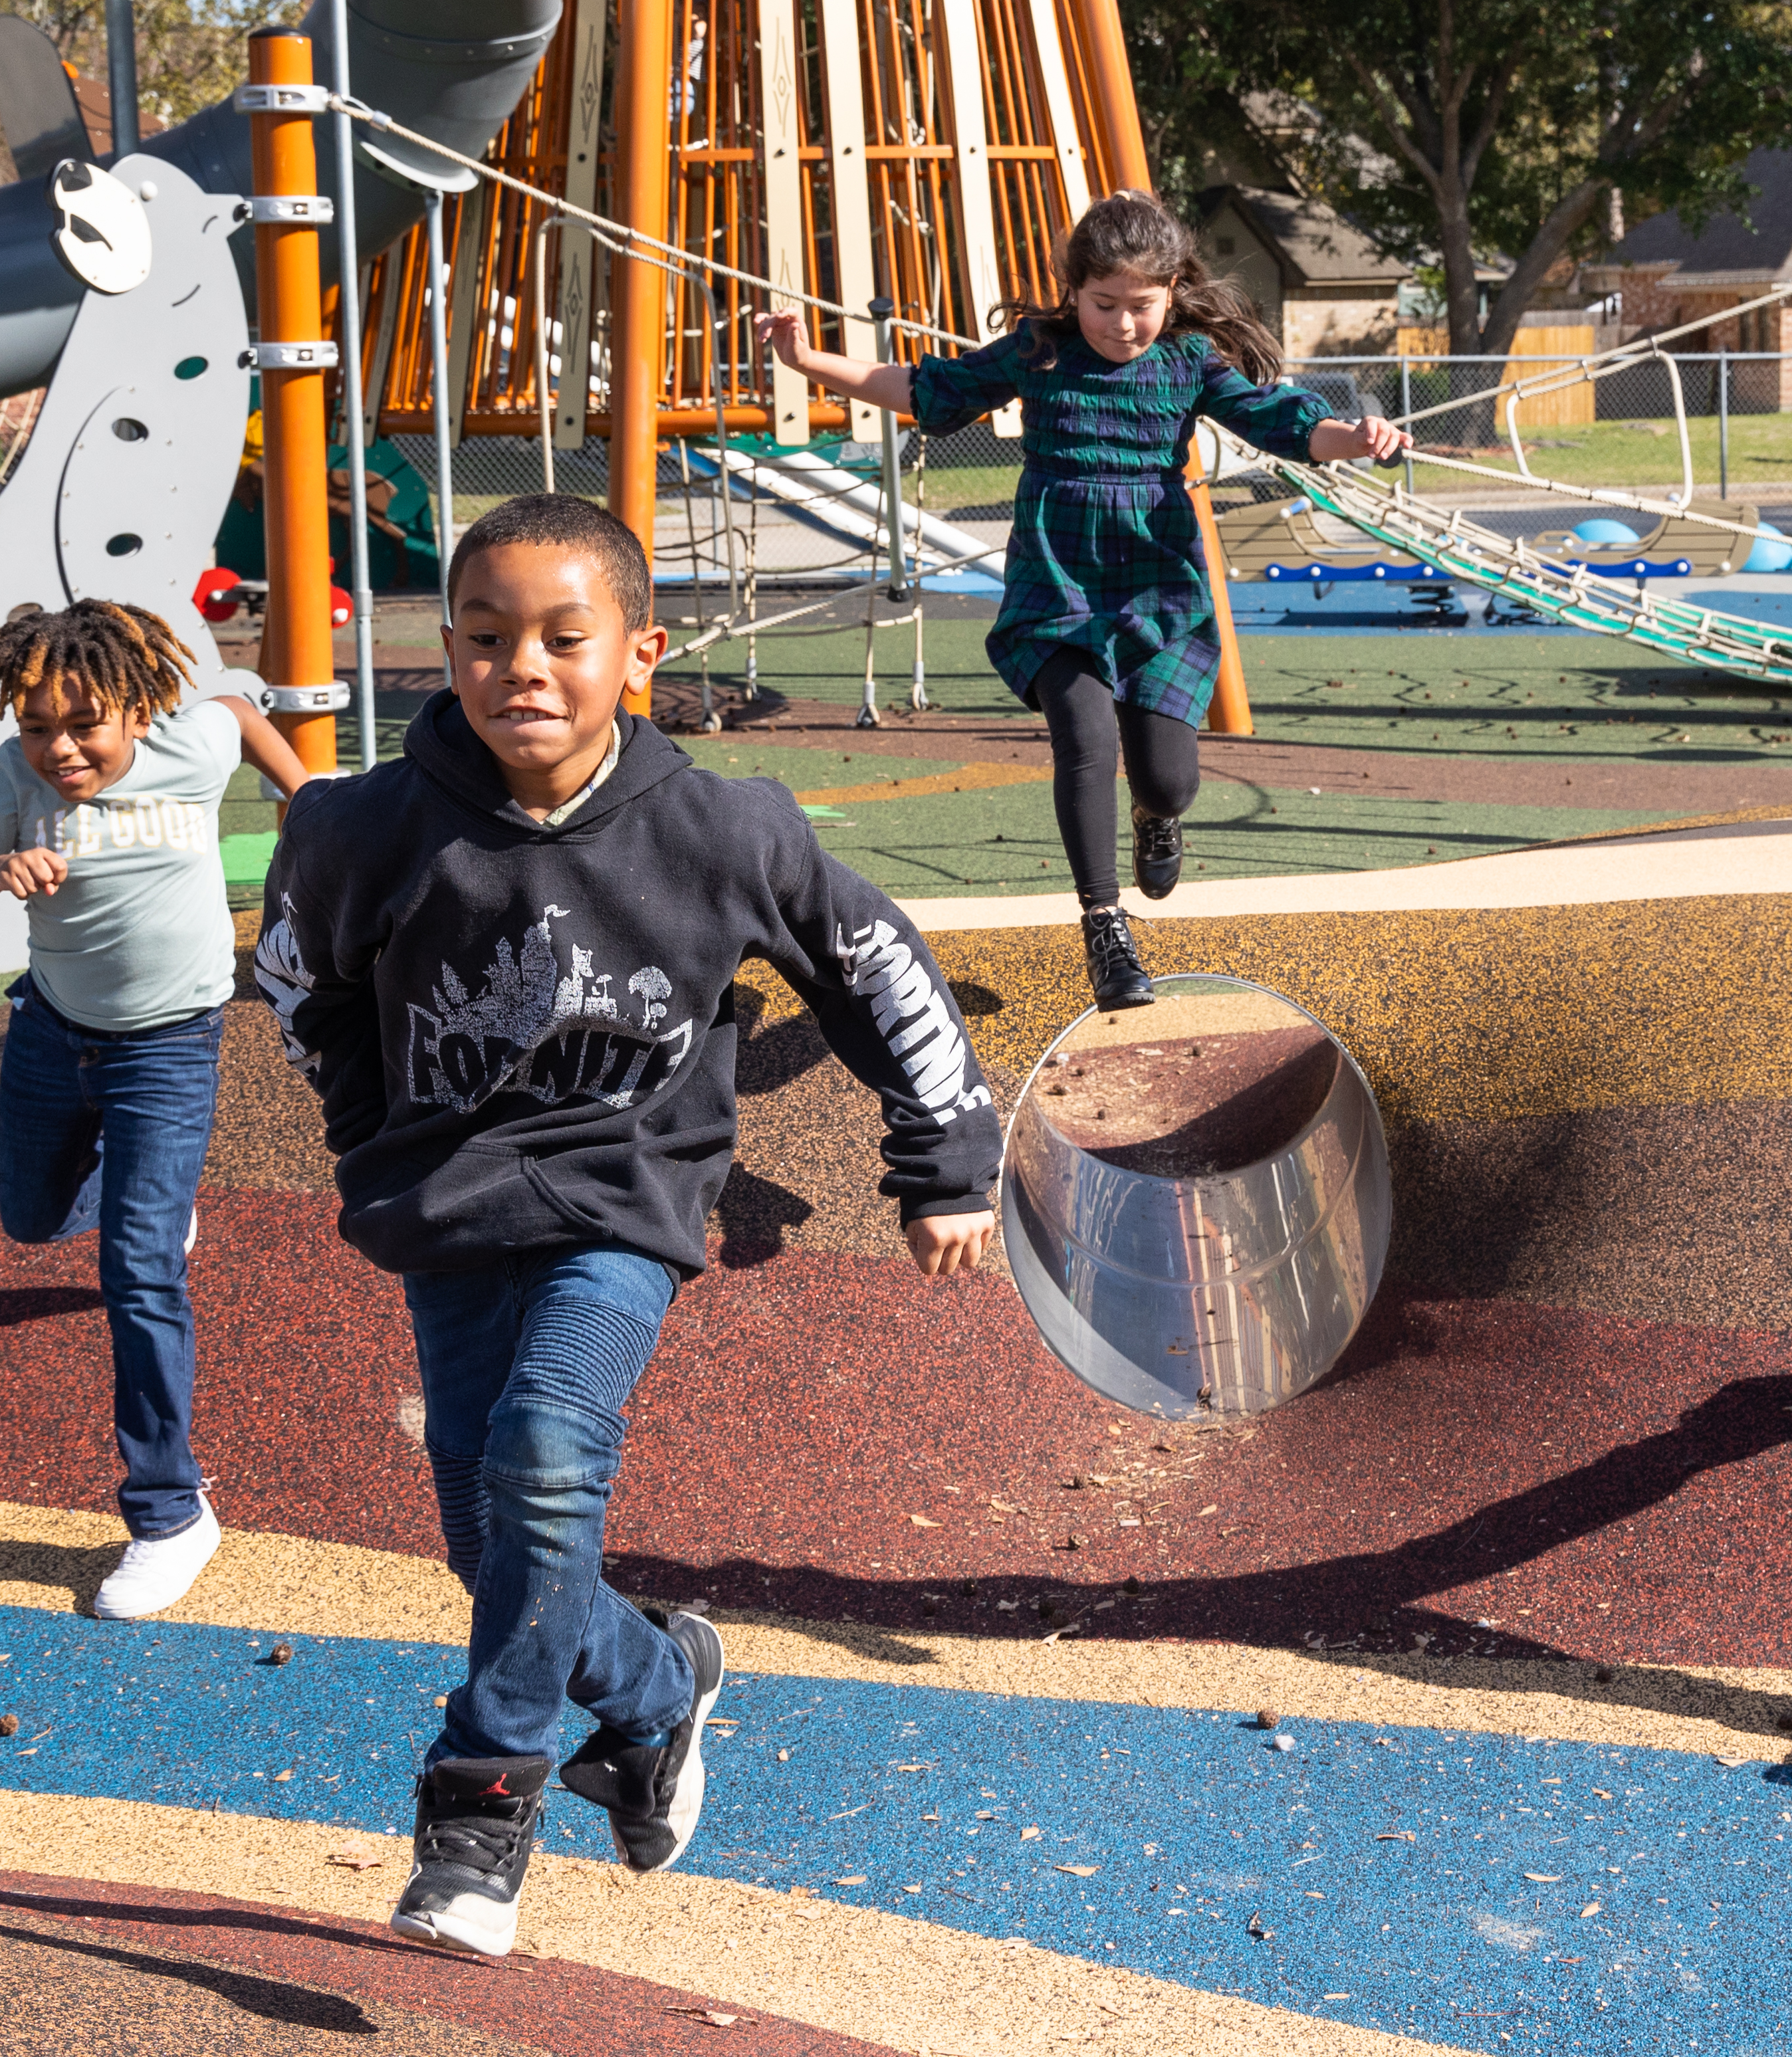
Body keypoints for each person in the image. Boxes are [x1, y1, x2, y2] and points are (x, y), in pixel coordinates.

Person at [253, 493, 1002, 1959]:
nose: (519, 666)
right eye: (482, 638)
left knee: (545, 1449)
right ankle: (658, 1694)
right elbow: (297, 983)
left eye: (561, 638)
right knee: (500, 1552)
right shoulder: (361, 827)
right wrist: (367, 1123)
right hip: (449, 1201)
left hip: (624, 1196)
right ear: (445, 654)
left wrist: (944, 1159)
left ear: (638, 653)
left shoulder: (725, 826)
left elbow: (874, 967)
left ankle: (477, 1815)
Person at [752, 191, 1409, 1011]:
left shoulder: (1188, 360)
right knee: (1084, 738)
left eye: (1142, 305)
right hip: (1056, 575)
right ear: (1073, 290)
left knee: (1167, 780)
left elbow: (1280, 423)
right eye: (1104, 304)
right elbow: (928, 388)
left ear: (1171, 293)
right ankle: (1104, 925)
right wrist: (810, 363)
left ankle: (1156, 815)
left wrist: (1355, 437)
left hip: (1155, 578)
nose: (1123, 324)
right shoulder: (1042, 351)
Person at [0, 599, 311, 1620]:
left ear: (138, 711)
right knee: (32, 1217)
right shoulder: (13, 781)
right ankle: (150, 1197)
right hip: (51, 1029)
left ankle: (171, 1514)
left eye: (84, 722)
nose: (60, 747)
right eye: (37, 725)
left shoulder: (189, 744)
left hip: (171, 1046)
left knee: (136, 1269)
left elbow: (234, 705)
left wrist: (305, 794)